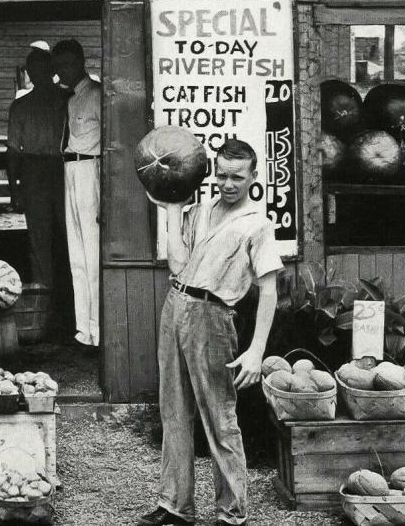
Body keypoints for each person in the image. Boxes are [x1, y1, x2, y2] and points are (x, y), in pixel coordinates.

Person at [137, 138, 283, 526]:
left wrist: (256, 351)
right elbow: (178, 264)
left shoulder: (257, 224)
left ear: (254, 177)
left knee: (219, 417)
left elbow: (269, 289)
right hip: (177, 304)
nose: (228, 183)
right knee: (173, 411)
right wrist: (171, 209)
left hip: (214, 317)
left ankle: (231, 513)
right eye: (222, 175)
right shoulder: (199, 211)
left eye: (237, 176)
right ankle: (175, 506)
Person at [6, 48, 74, 337]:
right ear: (30, 74)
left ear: (51, 70)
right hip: (35, 170)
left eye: (42, 69)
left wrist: (14, 188)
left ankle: (69, 308)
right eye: (33, 70)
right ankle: (45, 311)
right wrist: (15, 188)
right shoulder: (21, 106)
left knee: (71, 234)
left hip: (64, 168)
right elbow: (13, 152)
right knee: (39, 239)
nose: (38, 75)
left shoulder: (67, 100)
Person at [51, 38, 101, 351]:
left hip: (90, 171)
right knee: (77, 256)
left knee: (92, 253)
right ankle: (85, 330)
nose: (60, 72)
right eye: (57, 67)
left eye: (65, 65)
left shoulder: (96, 95)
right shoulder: (71, 99)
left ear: (79, 62)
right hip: (70, 170)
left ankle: (99, 330)